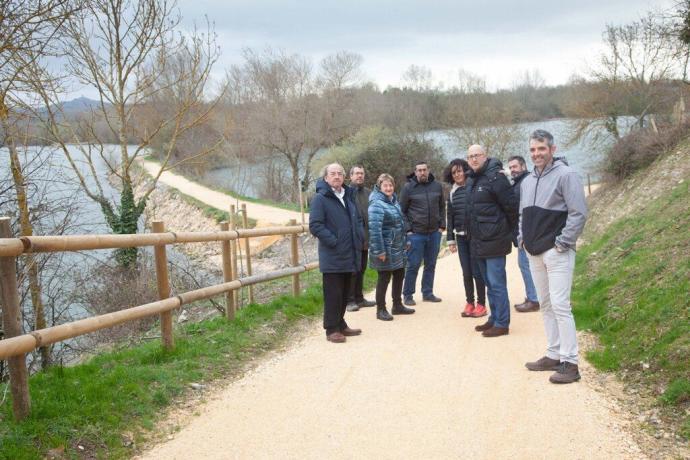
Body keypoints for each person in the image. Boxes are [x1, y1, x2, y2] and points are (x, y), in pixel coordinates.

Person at [520, 129, 588, 384]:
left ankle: (570, 363)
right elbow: (521, 216)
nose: (537, 154)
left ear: (552, 149)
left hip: (556, 251)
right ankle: (554, 354)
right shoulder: (527, 180)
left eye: (541, 149)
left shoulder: (566, 175)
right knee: (546, 304)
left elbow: (578, 212)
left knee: (561, 305)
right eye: (533, 150)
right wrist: (522, 240)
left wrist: (563, 243)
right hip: (533, 251)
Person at [309, 163, 365, 343]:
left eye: (340, 173)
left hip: (349, 253)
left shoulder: (347, 196)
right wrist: (335, 241)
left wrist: (359, 238)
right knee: (333, 294)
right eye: (332, 174)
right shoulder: (320, 198)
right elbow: (315, 225)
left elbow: (355, 221)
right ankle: (331, 329)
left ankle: (340, 324)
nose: (337, 176)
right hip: (333, 255)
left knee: (344, 292)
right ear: (325, 178)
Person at [466, 145, 517, 337]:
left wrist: (513, 233)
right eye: (470, 156)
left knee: (497, 283)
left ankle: (502, 323)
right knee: (488, 283)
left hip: (495, 239)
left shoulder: (497, 177)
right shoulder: (472, 179)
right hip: (478, 240)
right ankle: (494, 318)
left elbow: (511, 206)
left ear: (485, 156)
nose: (473, 159)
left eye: (477, 155)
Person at [368, 174, 415, 321]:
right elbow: (374, 230)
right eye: (385, 186)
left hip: (398, 247)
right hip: (386, 249)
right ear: (379, 187)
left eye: (390, 185)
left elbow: (400, 223)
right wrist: (379, 251)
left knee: (399, 275)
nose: (388, 188)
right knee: (384, 278)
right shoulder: (376, 203)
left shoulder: (393, 201)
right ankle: (380, 310)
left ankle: (397, 305)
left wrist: (406, 240)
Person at [444, 158, 487, 318]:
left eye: (460, 171)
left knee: (477, 272)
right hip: (460, 238)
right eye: (454, 172)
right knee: (466, 272)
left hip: (475, 237)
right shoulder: (452, 192)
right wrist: (450, 239)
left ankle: (481, 304)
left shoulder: (473, 186)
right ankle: (470, 302)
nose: (457, 174)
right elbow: (450, 217)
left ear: (465, 170)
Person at [399, 161, 446, 306]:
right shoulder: (408, 188)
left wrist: (441, 226)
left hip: (434, 233)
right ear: (415, 172)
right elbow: (402, 211)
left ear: (429, 170)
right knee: (413, 265)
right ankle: (408, 295)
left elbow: (442, 207)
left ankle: (428, 293)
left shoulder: (437, 186)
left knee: (431, 264)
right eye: (419, 170)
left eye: (424, 170)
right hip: (416, 234)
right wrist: (408, 230)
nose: (422, 173)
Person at [507, 155, 540, 313]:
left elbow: (524, 209)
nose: (513, 170)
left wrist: (524, 235)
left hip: (526, 231)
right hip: (522, 230)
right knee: (528, 265)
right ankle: (533, 296)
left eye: (515, 167)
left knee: (525, 264)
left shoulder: (525, 182)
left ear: (523, 166)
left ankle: (534, 299)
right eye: (511, 167)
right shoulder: (519, 182)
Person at [346, 165, 377, 312]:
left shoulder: (368, 193)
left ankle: (359, 298)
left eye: (361, 173)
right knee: (352, 270)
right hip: (352, 239)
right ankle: (350, 300)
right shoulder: (346, 193)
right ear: (350, 176)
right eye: (356, 173)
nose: (359, 176)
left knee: (362, 269)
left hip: (366, 237)